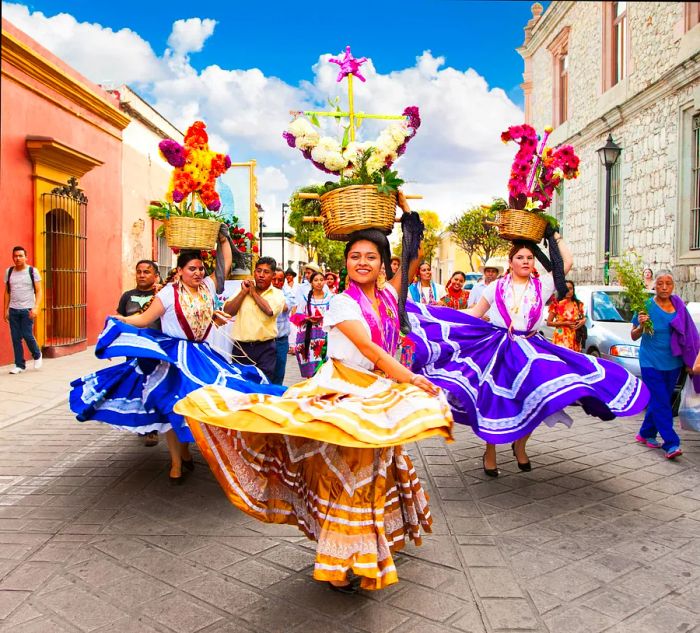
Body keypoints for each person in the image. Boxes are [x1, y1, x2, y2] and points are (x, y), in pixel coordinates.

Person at [174, 215, 453, 593]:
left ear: (384, 264)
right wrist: (410, 376)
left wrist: (408, 219)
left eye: (371, 256)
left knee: (378, 465)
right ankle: (342, 559)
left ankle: (371, 544)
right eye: (355, 256)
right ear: (346, 263)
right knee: (349, 473)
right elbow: (369, 348)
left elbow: (414, 259)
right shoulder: (341, 302)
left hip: (376, 391)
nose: (362, 263)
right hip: (342, 391)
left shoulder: (387, 296)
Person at [406, 237, 649, 477]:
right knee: (493, 400)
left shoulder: (542, 284)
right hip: (499, 348)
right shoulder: (495, 287)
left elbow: (567, 262)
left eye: (529, 258)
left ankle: (520, 444)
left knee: (537, 396)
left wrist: (555, 235)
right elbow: (475, 313)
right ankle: (490, 451)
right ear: (510, 262)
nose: (525, 261)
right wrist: (435, 313)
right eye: (520, 258)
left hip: (531, 347)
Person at [70, 236, 284, 485]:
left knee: (206, 401)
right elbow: (143, 318)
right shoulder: (168, 294)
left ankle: (185, 450)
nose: (197, 272)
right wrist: (121, 320)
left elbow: (224, 263)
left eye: (200, 268)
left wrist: (223, 239)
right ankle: (175, 463)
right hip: (173, 357)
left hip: (201, 354)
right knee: (173, 404)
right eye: (192, 268)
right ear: (180, 271)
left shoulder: (207, 287)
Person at [632, 270, 700, 459]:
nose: (663, 287)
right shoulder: (645, 305)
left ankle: (645, 433)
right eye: (660, 283)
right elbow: (634, 335)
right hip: (650, 361)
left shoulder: (678, 305)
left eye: (668, 284)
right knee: (662, 401)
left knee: (660, 400)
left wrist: (690, 360)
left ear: (673, 286)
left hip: (673, 362)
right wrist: (641, 326)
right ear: (654, 285)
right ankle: (671, 443)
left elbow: (689, 333)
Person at [117, 259, 162, 447]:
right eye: (139, 271)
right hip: (133, 350)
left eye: (146, 272)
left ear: (155, 275)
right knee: (137, 388)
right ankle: (143, 423)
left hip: (155, 351)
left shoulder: (161, 294)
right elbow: (120, 320)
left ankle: (152, 428)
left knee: (153, 387)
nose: (142, 275)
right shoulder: (127, 296)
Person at [224, 256, 286, 383]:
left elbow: (269, 311)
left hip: (265, 348)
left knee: (263, 385)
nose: (261, 275)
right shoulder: (243, 290)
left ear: (273, 275)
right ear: (254, 272)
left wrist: (253, 293)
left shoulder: (277, 294)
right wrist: (243, 293)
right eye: (258, 271)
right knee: (241, 385)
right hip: (241, 348)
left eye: (266, 272)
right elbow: (228, 312)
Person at [4, 246, 43, 375]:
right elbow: (7, 292)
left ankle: (37, 355)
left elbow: (39, 291)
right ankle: (19, 365)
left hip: (28, 309)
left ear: (26, 257)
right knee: (15, 338)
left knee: (27, 335)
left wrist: (36, 307)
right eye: (15, 256)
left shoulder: (32, 271)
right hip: (13, 310)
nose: (18, 258)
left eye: (20, 256)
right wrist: (6, 309)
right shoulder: (9, 271)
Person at [290, 271, 332, 377]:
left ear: (325, 282)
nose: (319, 283)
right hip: (307, 339)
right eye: (316, 280)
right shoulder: (305, 298)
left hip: (325, 339)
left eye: (321, 280)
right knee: (311, 373)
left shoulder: (331, 298)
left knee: (325, 372)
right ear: (311, 283)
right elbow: (295, 317)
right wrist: (307, 318)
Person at [547, 279, 586, 352]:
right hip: (561, 338)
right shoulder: (556, 304)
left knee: (573, 361)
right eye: (566, 288)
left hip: (575, 338)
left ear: (573, 290)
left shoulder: (578, 304)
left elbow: (583, 318)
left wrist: (583, 321)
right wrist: (565, 323)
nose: (568, 291)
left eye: (571, 288)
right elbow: (549, 322)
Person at [271, 268, 295, 385]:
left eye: (279, 280)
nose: (276, 283)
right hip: (265, 340)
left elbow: (285, 307)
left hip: (280, 340)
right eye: (273, 279)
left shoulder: (288, 293)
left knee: (278, 373)